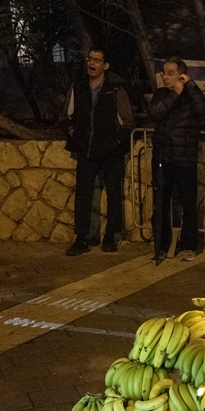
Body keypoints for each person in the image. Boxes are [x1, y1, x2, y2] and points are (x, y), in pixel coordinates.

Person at [61, 48, 134, 256]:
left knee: (113, 193)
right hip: (86, 149)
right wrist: (75, 134)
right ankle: (81, 238)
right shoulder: (79, 86)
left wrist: (116, 142)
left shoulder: (115, 88)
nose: (91, 63)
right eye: (89, 59)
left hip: (111, 151)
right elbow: (66, 117)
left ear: (105, 65)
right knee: (83, 195)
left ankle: (111, 236)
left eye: (97, 60)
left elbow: (127, 122)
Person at [148, 57, 205, 263]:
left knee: (188, 206)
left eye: (170, 73)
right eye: (164, 73)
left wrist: (189, 86)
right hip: (163, 158)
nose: (165, 77)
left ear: (181, 75)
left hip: (185, 160)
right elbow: (156, 113)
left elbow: (203, 110)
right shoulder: (161, 94)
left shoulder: (191, 96)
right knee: (161, 205)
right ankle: (162, 245)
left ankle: (189, 245)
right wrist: (175, 93)